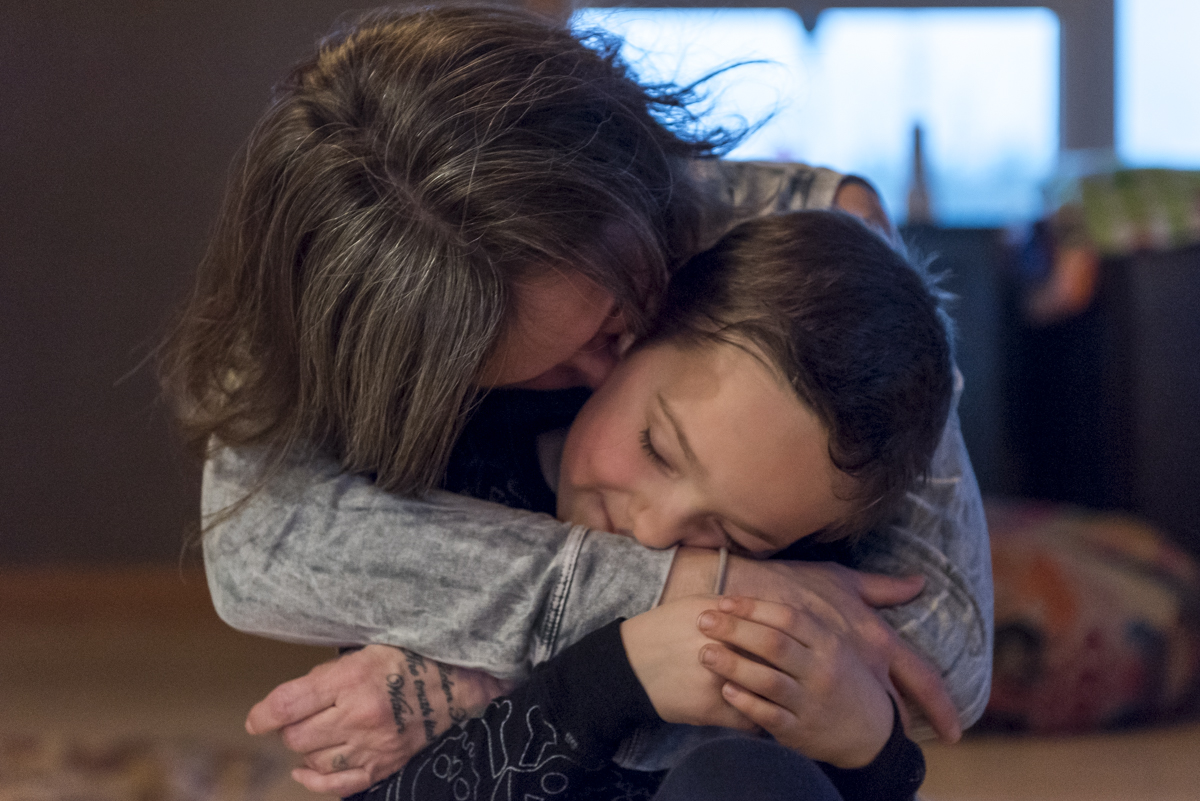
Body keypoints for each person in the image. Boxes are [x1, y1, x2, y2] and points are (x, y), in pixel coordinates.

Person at [162, 6, 992, 795]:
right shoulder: (339, 302)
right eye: (546, 366)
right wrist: (693, 594)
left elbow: (935, 656)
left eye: (622, 312)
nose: (609, 365)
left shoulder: (806, 248)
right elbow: (260, 553)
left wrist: (486, 684)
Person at [345, 207, 953, 800]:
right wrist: (620, 675)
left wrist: (872, 752)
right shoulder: (453, 477)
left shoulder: (799, 592)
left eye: (732, 536)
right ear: (630, 335)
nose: (655, 532)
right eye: (658, 448)